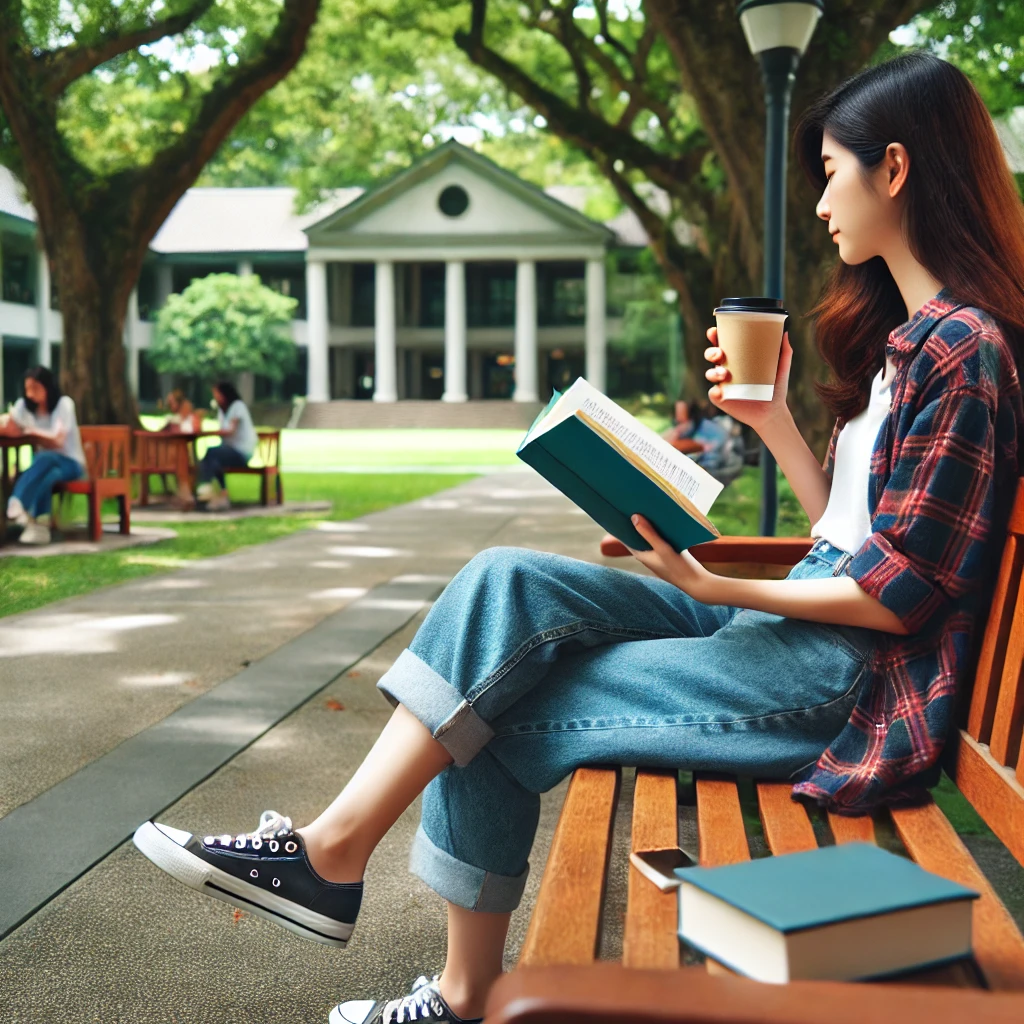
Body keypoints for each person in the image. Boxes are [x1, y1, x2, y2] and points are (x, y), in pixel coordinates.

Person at [133, 52, 1023, 1024]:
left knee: (494, 705)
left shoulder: (962, 350)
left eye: (829, 172)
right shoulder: (914, 339)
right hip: (803, 622)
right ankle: (338, 862)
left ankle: (409, 938)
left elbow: (896, 592)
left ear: (893, 169)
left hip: (836, 680)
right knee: (503, 582)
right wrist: (771, 426)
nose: (818, 203)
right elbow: (845, 533)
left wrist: (725, 590)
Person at [1, 366, 85, 545]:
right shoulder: (24, 406)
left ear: (48, 387)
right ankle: (40, 526)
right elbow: (9, 422)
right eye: (27, 389)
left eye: (36, 388)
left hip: (70, 463)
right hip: (47, 467)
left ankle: (18, 500)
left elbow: (58, 440)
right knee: (49, 475)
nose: (31, 394)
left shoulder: (64, 405)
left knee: (45, 458)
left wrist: (32, 431)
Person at [195, 381, 256, 511]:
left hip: (242, 453)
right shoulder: (222, 412)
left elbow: (231, 430)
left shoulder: (237, 406)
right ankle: (219, 495)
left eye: (217, 394)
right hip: (230, 451)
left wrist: (214, 432)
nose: (216, 398)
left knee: (211, 453)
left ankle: (205, 488)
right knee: (212, 460)